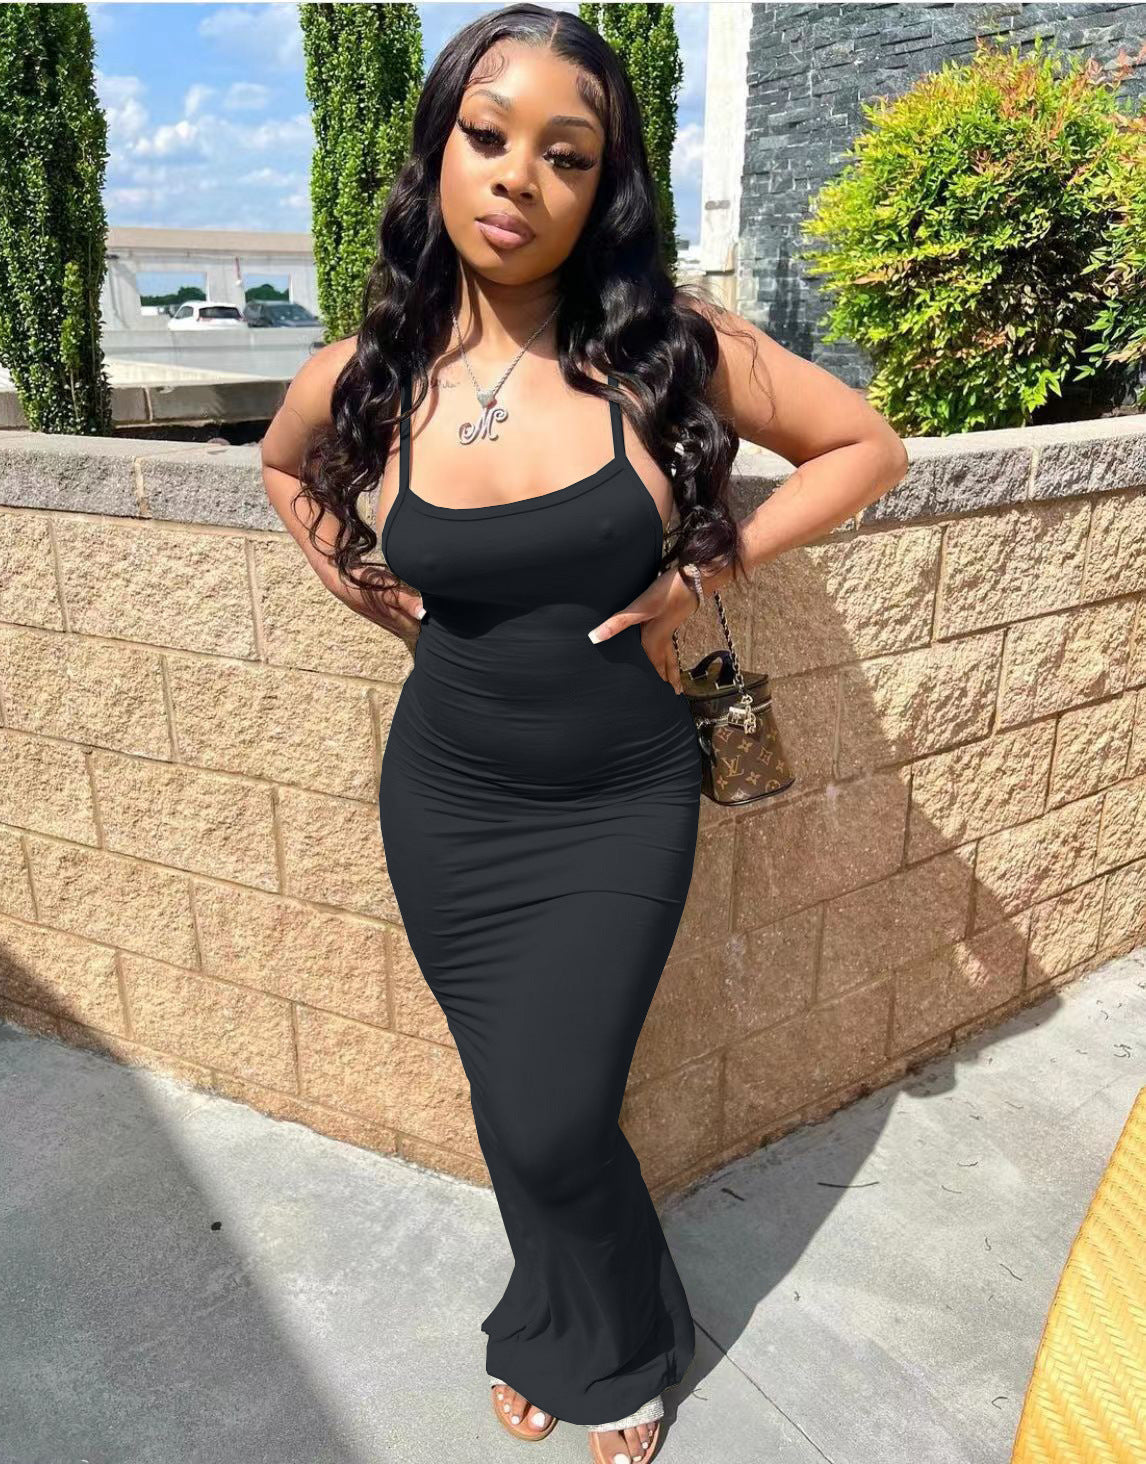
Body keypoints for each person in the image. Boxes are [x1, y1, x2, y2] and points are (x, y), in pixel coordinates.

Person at [260, 6, 909, 1460]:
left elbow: (866, 447)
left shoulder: (666, 351)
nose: (517, 176)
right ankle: (571, 1322)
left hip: (618, 797)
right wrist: (358, 579)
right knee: (515, 1105)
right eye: (487, 136)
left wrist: (708, 567)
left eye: (566, 154)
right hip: (446, 801)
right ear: (438, 153)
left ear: (602, 187)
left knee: (556, 1114)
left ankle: (618, 1348)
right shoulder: (374, 371)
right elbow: (282, 467)